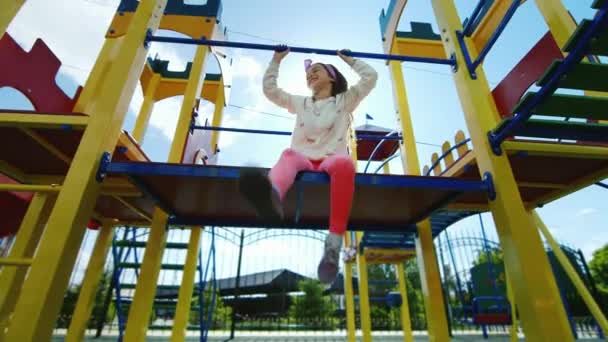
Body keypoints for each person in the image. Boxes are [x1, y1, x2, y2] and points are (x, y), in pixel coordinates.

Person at [239, 47, 378, 284]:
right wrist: (276, 60)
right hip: (303, 157)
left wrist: (350, 60)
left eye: (317, 70)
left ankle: (333, 246)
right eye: (308, 73)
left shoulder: (345, 101)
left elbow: (371, 77)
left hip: (331, 158)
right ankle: (271, 197)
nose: (310, 75)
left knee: (345, 164)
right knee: (289, 155)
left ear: (332, 76)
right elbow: (270, 91)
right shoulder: (301, 103)